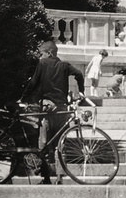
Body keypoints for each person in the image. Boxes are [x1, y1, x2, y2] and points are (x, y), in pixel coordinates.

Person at [20, 40, 85, 183]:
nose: (40, 57)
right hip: (62, 109)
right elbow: (79, 74)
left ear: (49, 53)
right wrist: (81, 91)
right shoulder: (64, 65)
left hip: (47, 108)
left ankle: (46, 177)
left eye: (41, 53)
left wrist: (23, 98)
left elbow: (33, 83)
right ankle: (60, 178)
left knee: (43, 143)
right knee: (60, 144)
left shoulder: (43, 64)